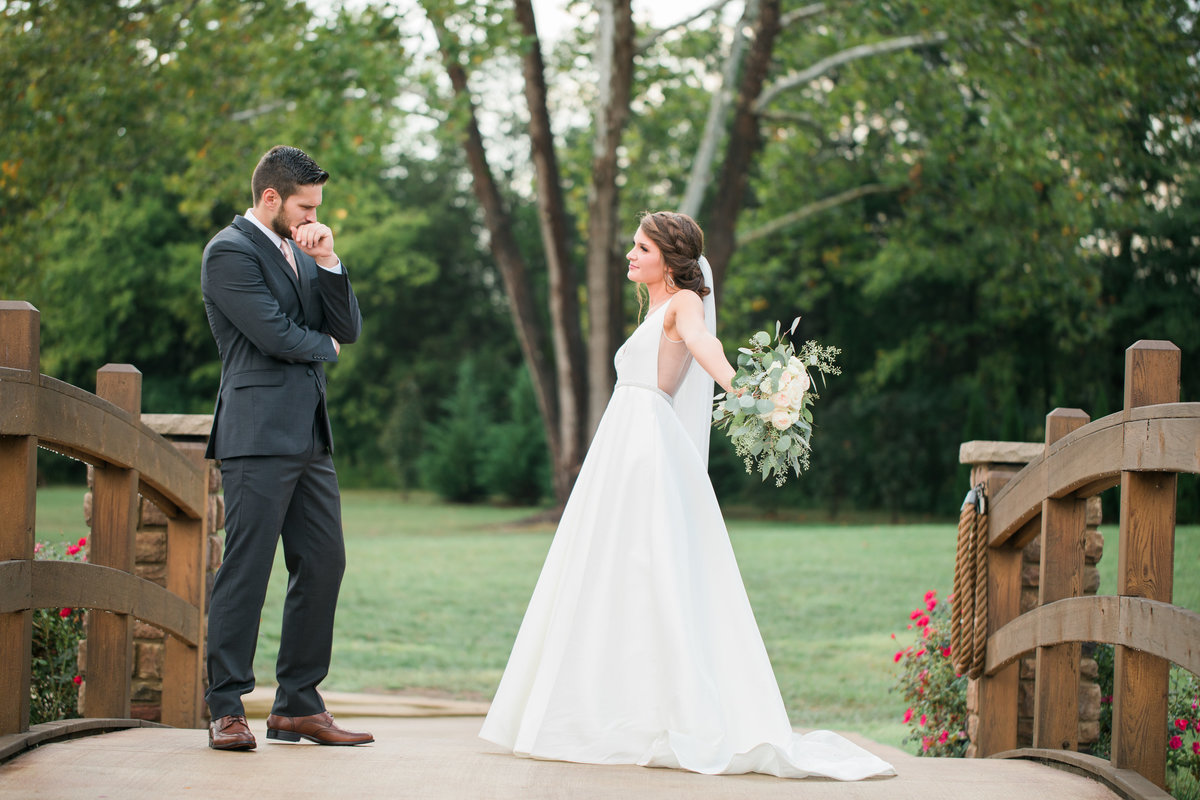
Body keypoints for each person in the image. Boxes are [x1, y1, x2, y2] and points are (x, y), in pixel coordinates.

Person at [479, 211, 895, 780]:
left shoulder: (684, 305)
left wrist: (753, 394)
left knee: (652, 567)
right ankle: (609, 708)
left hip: (646, 448)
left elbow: (705, 345)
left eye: (640, 247)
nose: (630, 254)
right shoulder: (653, 307)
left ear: (669, 259)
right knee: (610, 569)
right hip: (622, 447)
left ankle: (658, 712)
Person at [200, 145, 371, 750]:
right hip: (255, 433)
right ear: (270, 198)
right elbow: (272, 334)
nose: (312, 219)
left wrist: (325, 259)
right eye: (304, 209)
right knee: (247, 568)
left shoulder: (305, 249)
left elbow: (346, 326)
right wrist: (326, 348)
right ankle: (225, 706)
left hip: (310, 436)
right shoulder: (229, 251)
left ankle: (297, 704)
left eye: (317, 210)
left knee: (323, 563)